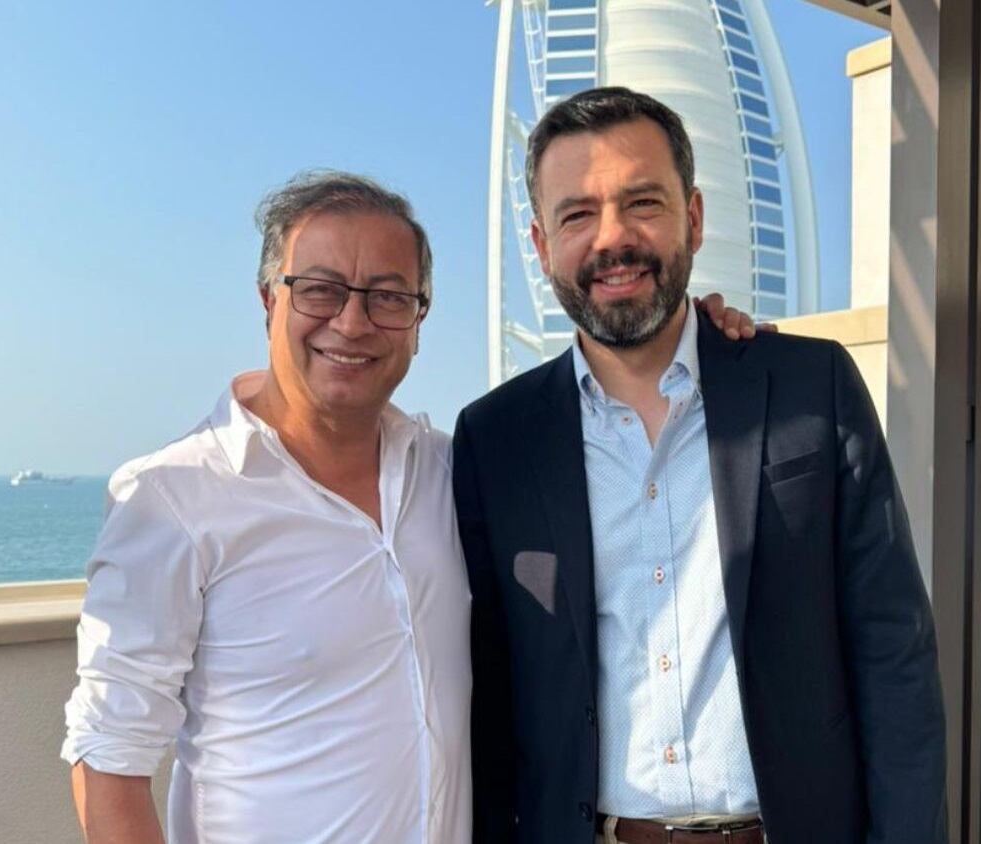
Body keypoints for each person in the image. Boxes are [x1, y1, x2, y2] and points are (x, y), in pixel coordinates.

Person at [61, 169, 757, 843]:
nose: (354, 321)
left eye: (388, 297)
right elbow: (108, 759)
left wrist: (697, 335)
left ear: (420, 319)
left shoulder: (451, 469)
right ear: (270, 300)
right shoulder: (173, 498)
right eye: (321, 290)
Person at [452, 87, 947, 844]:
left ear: (694, 216)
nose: (613, 239)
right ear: (542, 244)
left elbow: (894, 657)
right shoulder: (494, 442)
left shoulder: (812, 391)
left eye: (641, 202)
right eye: (577, 214)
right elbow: (488, 696)